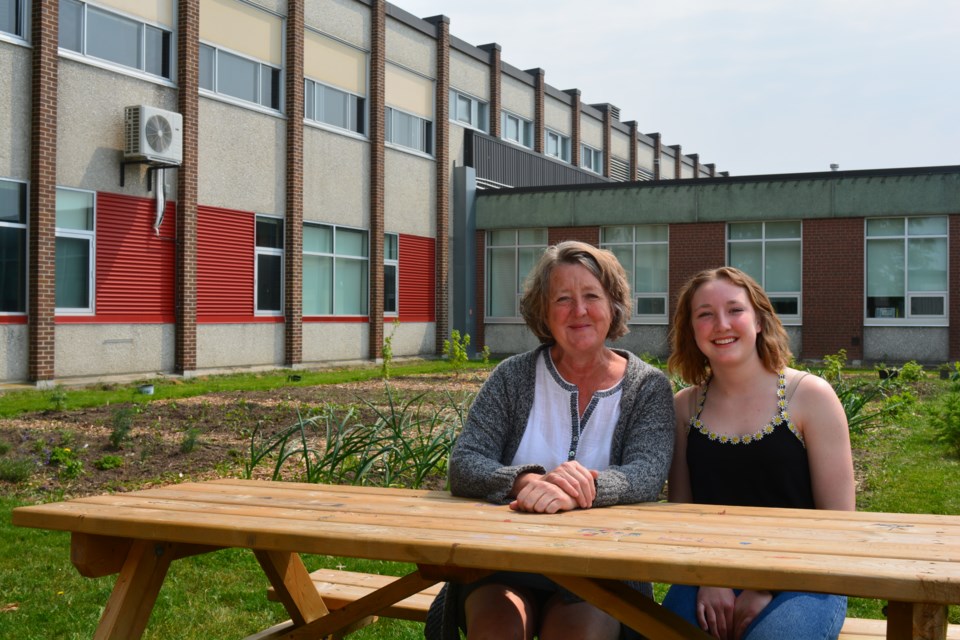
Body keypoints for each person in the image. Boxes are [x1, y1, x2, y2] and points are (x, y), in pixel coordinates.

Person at [425, 240, 675, 640]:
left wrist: (582, 488)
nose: (579, 311)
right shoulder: (512, 376)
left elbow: (646, 475)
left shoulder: (647, 386)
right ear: (543, 311)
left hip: (602, 566)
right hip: (502, 561)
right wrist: (526, 482)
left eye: (591, 296)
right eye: (563, 299)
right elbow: (466, 461)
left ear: (614, 305)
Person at [662, 266, 855, 640]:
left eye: (735, 310)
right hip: (710, 574)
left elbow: (839, 524)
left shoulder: (811, 397)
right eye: (705, 314)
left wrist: (765, 583)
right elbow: (681, 518)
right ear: (690, 329)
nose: (721, 324)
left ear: (759, 320)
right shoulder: (684, 408)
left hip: (806, 574)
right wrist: (711, 577)